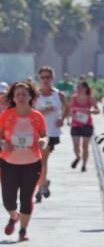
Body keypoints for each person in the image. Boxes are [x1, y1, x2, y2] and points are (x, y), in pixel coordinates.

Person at [0, 80, 47, 243]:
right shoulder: (6, 115)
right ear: (13, 97)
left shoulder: (37, 116)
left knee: (26, 198)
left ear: (30, 96)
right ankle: (13, 216)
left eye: (24, 94)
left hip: (32, 162)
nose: (21, 97)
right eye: (18, 94)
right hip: (9, 163)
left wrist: (43, 140)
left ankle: (23, 230)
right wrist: (2, 143)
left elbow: (44, 134)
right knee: (8, 199)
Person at [34, 66, 68, 201]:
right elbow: (30, 112)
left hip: (52, 132)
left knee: (42, 160)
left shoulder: (59, 95)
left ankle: (40, 189)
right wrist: (44, 111)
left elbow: (67, 107)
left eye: (48, 77)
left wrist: (62, 119)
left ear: (52, 78)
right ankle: (43, 184)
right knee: (38, 162)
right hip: (37, 132)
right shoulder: (35, 95)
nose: (45, 80)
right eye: (43, 77)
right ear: (39, 79)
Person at [69, 80, 99, 172]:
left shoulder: (90, 98)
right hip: (75, 124)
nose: (78, 89)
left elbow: (97, 110)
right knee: (76, 145)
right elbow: (70, 109)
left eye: (80, 87)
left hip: (87, 124)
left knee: (85, 146)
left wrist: (90, 111)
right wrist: (72, 113)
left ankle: (84, 165)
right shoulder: (74, 97)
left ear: (85, 89)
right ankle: (78, 157)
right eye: (77, 87)